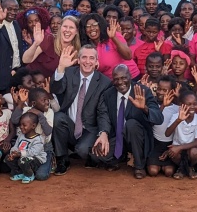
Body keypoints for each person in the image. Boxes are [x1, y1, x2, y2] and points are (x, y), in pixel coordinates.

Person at [51, 44, 113, 175]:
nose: (87, 61)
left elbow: (103, 111)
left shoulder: (104, 83)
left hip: (89, 128)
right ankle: (62, 159)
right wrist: (61, 67)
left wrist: (103, 132)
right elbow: (56, 90)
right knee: (57, 117)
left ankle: (87, 153)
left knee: (83, 150)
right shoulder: (68, 73)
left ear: (97, 62)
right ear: (78, 60)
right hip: (70, 125)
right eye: (84, 57)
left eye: (91, 58)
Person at [101, 64, 163, 178]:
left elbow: (159, 118)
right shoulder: (108, 94)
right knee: (98, 156)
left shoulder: (142, 91)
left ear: (130, 76)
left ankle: (139, 166)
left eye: (124, 78)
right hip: (118, 137)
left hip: (139, 138)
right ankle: (120, 156)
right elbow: (104, 117)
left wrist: (144, 108)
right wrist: (103, 134)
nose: (120, 82)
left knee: (131, 124)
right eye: (116, 79)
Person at [9, 88, 53, 181]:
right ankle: (27, 169)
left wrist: (40, 115)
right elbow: (14, 120)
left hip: (43, 148)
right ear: (33, 103)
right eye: (43, 100)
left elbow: (48, 131)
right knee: (11, 164)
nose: (47, 102)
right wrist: (21, 103)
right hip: (25, 146)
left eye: (47, 100)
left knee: (41, 176)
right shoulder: (26, 110)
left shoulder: (49, 112)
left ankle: (50, 160)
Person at [79, 13, 139, 79]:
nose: (92, 28)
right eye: (88, 26)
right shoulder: (86, 47)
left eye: (95, 25)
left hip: (130, 77)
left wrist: (114, 38)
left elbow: (128, 56)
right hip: (110, 82)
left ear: (100, 25)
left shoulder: (112, 34)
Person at [0, 0, 24, 93]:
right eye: (9, 9)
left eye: (15, 10)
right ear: (1, 9)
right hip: (0, 76)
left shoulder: (16, 24)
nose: (13, 12)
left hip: (17, 73)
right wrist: (0, 22)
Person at [164, 91, 197, 179]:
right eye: (189, 104)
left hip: (192, 149)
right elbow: (167, 134)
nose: (192, 106)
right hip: (178, 151)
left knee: (194, 152)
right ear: (181, 105)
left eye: (195, 104)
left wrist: (179, 147)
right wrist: (178, 120)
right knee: (173, 151)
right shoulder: (175, 116)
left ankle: (190, 167)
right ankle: (182, 169)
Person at [148, 75, 180, 177]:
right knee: (153, 171)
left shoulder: (177, 108)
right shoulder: (153, 105)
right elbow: (153, 120)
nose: (160, 92)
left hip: (169, 145)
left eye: (165, 90)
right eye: (159, 89)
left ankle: (165, 165)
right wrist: (163, 106)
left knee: (169, 172)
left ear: (172, 92)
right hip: (155, 145)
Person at [5, 112, 47, 184]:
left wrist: (19, 154)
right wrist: (13, 153)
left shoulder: (38, 139)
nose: (21, 127)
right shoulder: (21, 135)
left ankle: (29, 175)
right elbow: (16, 146)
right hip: (21, 157)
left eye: (24, 125)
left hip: (35, 159)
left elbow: (33, 152)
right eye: (20, 125)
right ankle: (20, 173)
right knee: (7, 158)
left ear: (33, 126)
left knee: (23, 160)